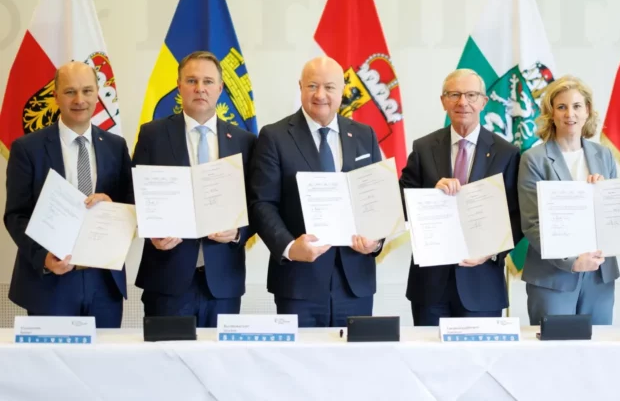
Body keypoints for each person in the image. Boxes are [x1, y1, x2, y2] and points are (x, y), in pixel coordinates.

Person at [248, 56, 383, 328]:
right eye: (312, 86)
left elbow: (377, 199)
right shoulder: (274, 137)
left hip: (355, 281)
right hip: (298, 282)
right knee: (297, 368)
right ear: (300, 87)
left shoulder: (364, 135)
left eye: (330, 87)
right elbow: (262, 203)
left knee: (353, 366)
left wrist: (377, 240)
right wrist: (289, 247)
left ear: (343, 89)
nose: (320, 95)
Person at [132, 51, 256, 328]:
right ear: (179, 86)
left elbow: (258, 204)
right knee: (164, 365)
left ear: (220, 89)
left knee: (218, 368)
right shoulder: (152, 135)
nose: (200, 88)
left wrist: (238, 232)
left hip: (223, 283)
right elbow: (134, 196)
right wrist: (152, 232)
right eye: (192, 80)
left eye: (208, 81)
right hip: (166, 278)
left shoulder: (243, 141)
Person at [4, 61, 132, 327]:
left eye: (87, 91)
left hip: (104, 282)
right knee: (49, 367)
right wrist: (44, 258)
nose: (80, 100)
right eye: (70, 91)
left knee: (103, 367)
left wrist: (112, 206)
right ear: (56, 95)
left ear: (98, 93)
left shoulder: (115, 146)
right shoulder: (28, 148)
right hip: (50, 282)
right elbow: (15, 215)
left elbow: (132, 207)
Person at [399, 68, 520, 326]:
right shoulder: (423, 148)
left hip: (482, 284)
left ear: (484, 102)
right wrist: (430, 194)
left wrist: (492, 252)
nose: (462, 102)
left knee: (480, 364)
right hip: (430, 286)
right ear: (443, 101)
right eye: (454, 94)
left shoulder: (506, 153)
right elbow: (401, 200)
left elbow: (517, 215)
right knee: (429, 364)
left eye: (471, 95)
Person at [518, 75, 619, 325]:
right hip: (553, 276)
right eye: (561, 107)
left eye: (576, 106)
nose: (569, 114)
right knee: (554, 354)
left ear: (587, 111)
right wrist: (572, 262)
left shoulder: (603, 154)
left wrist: (603, 197)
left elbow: (615, 214)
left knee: (598, 353)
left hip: (599, 274)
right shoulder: (534, 159)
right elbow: (532, 224)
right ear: (551, 113)